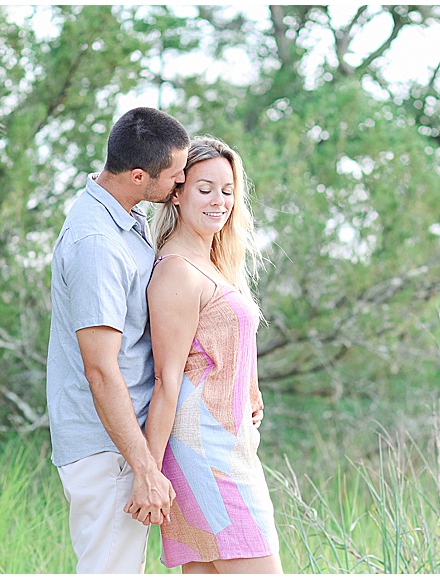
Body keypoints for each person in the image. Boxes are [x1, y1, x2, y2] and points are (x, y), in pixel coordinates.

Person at [46, 107, 189, 573]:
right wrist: (144, 466)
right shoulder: (97, 244)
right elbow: (101, 370)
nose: (181, 185)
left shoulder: (125, 217)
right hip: (109, 448)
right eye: (176, 176)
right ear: (138, 175)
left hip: (124, 443)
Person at [140, 136, 282, 573]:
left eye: (227, 190)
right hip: (205, 454)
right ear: (177, 193)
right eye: (205, 189)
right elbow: (167, 380)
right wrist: (148, 472)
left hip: (227, 442)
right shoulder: (178, 271)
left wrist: (250, 390)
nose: (219, 201)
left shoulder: (212, 263)